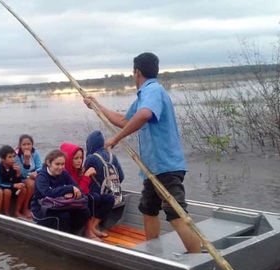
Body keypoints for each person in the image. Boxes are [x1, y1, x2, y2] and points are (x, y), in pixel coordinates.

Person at [83, 52, 201, 253]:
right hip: (152, 168)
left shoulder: (153, 90)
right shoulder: (144, 96)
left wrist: (116, 138)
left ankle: (198, 256)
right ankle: (153, 253)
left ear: (137, 72)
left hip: (166, 166)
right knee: (148, 209)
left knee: (175, 213)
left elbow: (145, 115)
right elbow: (124, 120)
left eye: (133, 73)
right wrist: (97, 106)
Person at [30, 149, 94, 238]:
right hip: (42, 209)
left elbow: (77, 188)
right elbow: (48, 193)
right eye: (57, 164)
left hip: (60, 205)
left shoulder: (64, 173)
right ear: (49, 163)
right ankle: (60, 238)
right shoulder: (41, 177)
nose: (60, 167)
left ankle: (73, 233)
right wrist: (68, 189)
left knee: (85, 211)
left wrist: (72, 193)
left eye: (62, 164)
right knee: (64, 216)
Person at [60, 142, 114, 240]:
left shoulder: (79, 171)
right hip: (73, 205)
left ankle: (93, 227)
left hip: (82, 199)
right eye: (76, 158)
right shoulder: (64, 173)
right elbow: (80, 193)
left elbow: (86, 190)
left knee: (109, 199)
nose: (79, 161)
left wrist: (85, 175)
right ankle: (88, 231)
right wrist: (86, 176)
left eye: (81, 158)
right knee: (93, 198)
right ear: (68, 158)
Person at [0, 145, 27, 217]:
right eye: (10, 157)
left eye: (14, 156)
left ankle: (17, 211)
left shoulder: (14, 166)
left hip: (12, 187)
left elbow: (16, 181)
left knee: (23, 189)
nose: (13, 159)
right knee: (7, 191)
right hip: (2, 188)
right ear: (3, 159)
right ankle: (6, 213)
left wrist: (18, 174)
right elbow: (0, 183)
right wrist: (14, 185)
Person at [14, 134, 42, 219]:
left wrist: (36, 172)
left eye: (29, 144)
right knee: (31, 184)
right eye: (24, 144)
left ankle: (38, 206)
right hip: (21, 178)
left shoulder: (35, 152)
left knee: (40, 181)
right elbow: (22, 173)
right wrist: (26, 160)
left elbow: (39, 166)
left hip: (33, 175)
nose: (27, 147)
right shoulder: (17, 155)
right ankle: (25, 208)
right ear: (20, 146)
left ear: (32, 145)